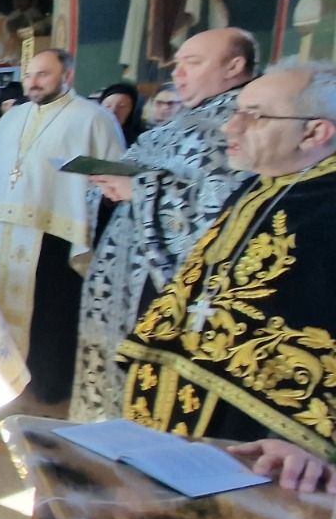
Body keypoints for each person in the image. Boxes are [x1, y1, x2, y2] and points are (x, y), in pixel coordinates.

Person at [119, 60, 336, 492]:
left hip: (275, 449)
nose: (229, 127)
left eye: (254, 116)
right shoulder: (264, 183)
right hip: (191, 406)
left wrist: (320, 444)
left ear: (315, 132)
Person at [71, 28, 257, 424]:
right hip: (129, 276)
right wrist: (111, 184)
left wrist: (139, 188)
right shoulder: (184, 121)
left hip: (179, 290)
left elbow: (230, 208)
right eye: (178, 64)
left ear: (234, 66)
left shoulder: (244, 123)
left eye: (193, 63)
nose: (178, 74)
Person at [0, 49, 125, 404]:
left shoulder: (94, 118)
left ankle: (46, 385)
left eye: (43, 74)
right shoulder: (11, 117)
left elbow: (116, 177)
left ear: (67, 76)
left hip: (54, 232)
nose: (33, 82)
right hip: (0, 229)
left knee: (50, 312)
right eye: (29, 75)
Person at [100, 82, 146, 147]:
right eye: (108, 106)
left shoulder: (144, 140)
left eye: (122, 106)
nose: (112, 111)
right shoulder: (90, 134)